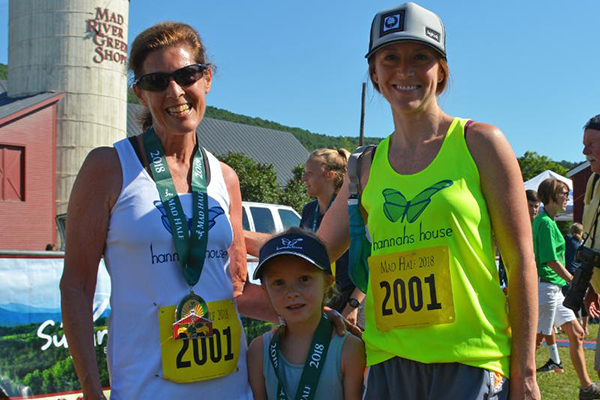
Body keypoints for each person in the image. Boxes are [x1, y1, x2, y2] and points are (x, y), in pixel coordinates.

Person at [314, 3, 542, 399]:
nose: (404, 70)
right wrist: (229, 241)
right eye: (390, 58)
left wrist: (525, 372)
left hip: (470, 362)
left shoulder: (481, 143)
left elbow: (522, 261)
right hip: (388, 363)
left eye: (421, 57)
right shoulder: (364, 166)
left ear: (442, 71)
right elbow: (314, 250)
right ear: (374, 73)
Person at [60, 22, 276, 400]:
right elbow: (76, 287)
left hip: (230, 386)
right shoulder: (108, 167)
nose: (175, 91)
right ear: (140, 93)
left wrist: (312, 313)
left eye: (186, 75)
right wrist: (92, 392)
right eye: (157, 81)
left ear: (206, 79)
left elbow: (237, 289)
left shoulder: (225, 178)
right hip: (148, 388)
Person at [246, 228, 365, 400]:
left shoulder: (349, 349)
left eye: (304, 279)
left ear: (327, 283)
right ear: (265, 290)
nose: (292, 292)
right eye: (279, 282)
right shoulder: (258, 351)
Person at [533, 178, 600, 398]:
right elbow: (550, 260)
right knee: (534, 342)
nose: (567, 198)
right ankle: (514, 383)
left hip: (553, 290)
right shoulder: (544, 222)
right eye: (564, 193)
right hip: (546, 289)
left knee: (577, 333)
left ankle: (586, 387)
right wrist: (575, 281)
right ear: (551, 195)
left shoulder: (548, 221)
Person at [301, 148, 365, 324]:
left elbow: (369, 261)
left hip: (351, 307)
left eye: (310, 173)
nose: (304, 179)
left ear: (329, 175)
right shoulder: (308, 211)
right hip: (321, 304)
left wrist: (353, 306)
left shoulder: (350, 210)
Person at [579, 115, 600, 381]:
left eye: (592, 144)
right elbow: (592, 238)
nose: (585, 151)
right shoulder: (593, 183)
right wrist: (592, 285)